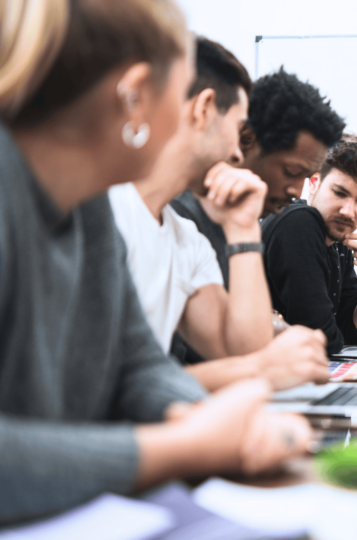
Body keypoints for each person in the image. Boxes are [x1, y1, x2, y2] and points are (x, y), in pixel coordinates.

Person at [0, 0, 312, 524]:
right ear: (135, 94)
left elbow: (137, 364)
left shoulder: (90, 203)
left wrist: (217, 422)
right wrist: (185, 446)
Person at [108, 36, 329, 391]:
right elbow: (102, 392)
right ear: (204, 108)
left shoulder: (183, 239)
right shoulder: (102, 210)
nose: (237, 153)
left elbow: (241, 351)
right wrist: (259, 371)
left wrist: (244, 230)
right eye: (238, 127)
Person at [170, 67, 345, 363]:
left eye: (307, 176)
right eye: (290, 172)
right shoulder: (183, 219)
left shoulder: (236, 220)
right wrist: (262, 370)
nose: (296, 190)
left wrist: (279, 330)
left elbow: (244, 338)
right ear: (246, 141)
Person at [261, 134, 357, 354]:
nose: (348, 211)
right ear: (314, 183)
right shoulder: (299, 223)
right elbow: (323, 339)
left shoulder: (338, 239)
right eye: (339, 193)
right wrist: (333, 335)